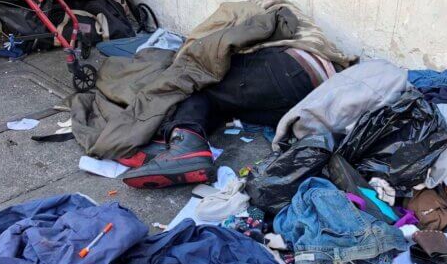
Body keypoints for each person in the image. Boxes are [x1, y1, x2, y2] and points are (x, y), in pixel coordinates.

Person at [119, 46, 339, 189]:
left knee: (198, 85)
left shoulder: (194, 52)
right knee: (222, 105)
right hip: (308, 96)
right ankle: (181, 142)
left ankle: (185, 144)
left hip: (292, 69)